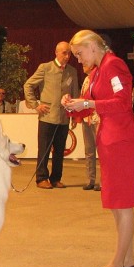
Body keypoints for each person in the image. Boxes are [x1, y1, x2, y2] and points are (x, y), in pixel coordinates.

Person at [63, 30, 134, 267]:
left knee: (122, 204)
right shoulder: (97, 72)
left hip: (121, 141)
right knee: (116, 204)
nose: (78, 59)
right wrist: (73, 104)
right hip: (109, 141)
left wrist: (87, 104)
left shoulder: (113, 65)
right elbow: (88, 106)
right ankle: (128, 260)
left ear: (92, 47)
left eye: (79, 53)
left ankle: (118, 262)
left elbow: (122, 102)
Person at [24, 41, 79, 189]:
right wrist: (36, 105)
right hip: (47, 117)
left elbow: (75, 94)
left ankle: (56, 178)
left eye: (69, 53)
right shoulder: (45, 68)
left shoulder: (72, 71)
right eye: (64, 53)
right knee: (44, 149)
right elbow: (28, 85)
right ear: (56, 53)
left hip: (64, 118)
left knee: (60, 150)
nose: (67, 56)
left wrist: (74, 114)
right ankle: (41, 178)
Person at [69, 62, 100, 191]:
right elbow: (82, 99)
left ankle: (105, 181)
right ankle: (90, 179)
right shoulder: (87, 79)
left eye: (85, 63)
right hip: (87, 118)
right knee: (89, 150)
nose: (82, 65)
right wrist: (77, 116)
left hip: (98, 118)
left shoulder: (99, 78)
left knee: (102, 152)